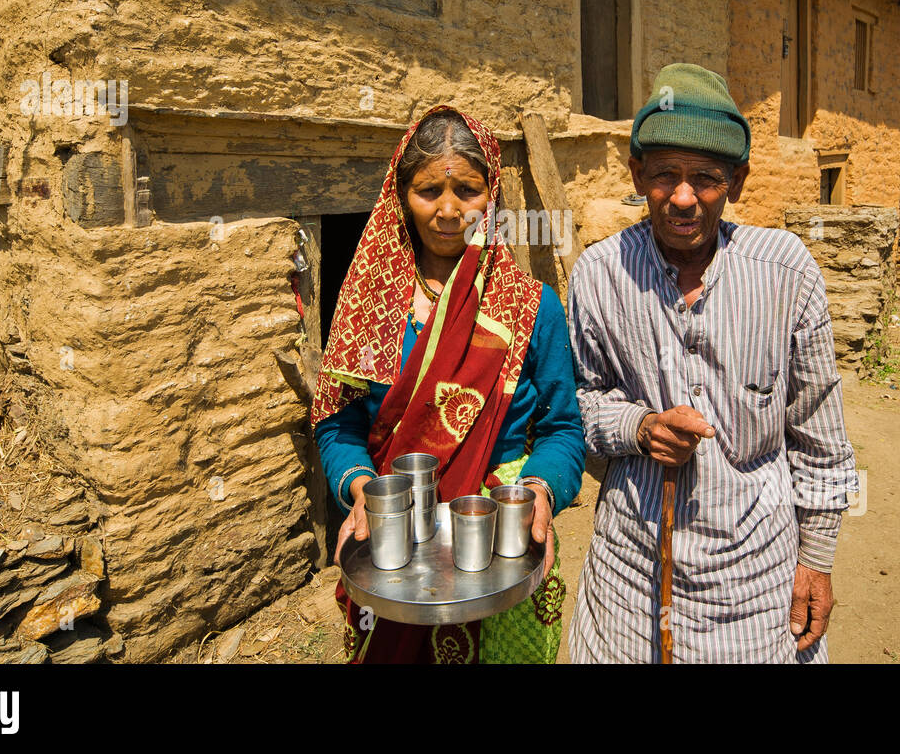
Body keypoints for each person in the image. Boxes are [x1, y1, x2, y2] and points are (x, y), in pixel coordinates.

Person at [566, 63, 858, 663]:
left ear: (739, 182)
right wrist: (639, 428)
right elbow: (580, 405)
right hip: (633, 571)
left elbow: (820, 433)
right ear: (636, 174)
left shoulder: (785, 271)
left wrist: (818, 559)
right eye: (664, 175)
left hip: (757, 580)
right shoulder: (599, 274)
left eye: (706, 179)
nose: (682, 197)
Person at [312, 105, 585, 664]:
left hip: (502, 534)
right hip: (397, 535)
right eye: (427, 190)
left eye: (467, 189)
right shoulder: (371, 306)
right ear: (400, 197)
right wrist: (362, 489)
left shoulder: (533, 308)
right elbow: (340, 425)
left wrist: (537, 490)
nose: (448, 210)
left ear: (494, 195)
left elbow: (563, 429)